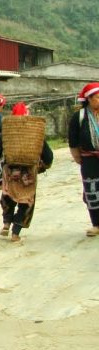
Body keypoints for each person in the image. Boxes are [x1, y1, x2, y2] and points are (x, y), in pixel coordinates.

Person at [0, 103, 53, 243]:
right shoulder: (35, 134)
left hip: (10, 171)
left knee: (8, 197)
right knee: (26, 202)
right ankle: (15, 233)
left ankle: (6, 223)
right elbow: (49, 156)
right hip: (29, 174)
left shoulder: (7, 134)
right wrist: (43, 166)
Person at [68, 82, 99, 237]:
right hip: (89, 159)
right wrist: (78, 157)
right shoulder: (79, 116)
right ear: (89, 98)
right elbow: (72, 139)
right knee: (92, 190)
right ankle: (96, 224)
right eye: (98, 97)